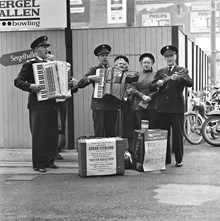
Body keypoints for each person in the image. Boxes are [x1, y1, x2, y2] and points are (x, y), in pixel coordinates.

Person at [14, 36, 59, 173]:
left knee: (51, 133)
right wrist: (31, 86)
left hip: (51, 103)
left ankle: (49, 160)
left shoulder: (51, 64)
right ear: (36, 49)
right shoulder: (30, 64)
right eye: (44, 47)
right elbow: (18, 81)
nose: (47, 49)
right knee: (39, 134)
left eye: (47, 47)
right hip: (37, 105)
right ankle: (38, 163)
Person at [150, 45, 193, 167]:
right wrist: (157, 84)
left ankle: (179, 159)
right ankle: (166, 159)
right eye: (166, 56)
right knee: (164, 135)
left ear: (175, 56)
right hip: (162, 109)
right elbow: (151, 87)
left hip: (176, 108)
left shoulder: (182, 70)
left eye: (171, 56)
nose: (169, 58)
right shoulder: (160, 72)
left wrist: (179, 78)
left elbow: (190, 83)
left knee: (177, 135)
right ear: (164, 58)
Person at [77, 44, 120, 137]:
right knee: (99, 132)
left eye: (106, 55)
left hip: (111, 106)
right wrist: (89, 78)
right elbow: (80, 84)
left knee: (111, 133)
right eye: (102, 55)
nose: (105, 57)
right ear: (98, 57)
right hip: (98, 106)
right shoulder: (94, 70)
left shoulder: (115, 70)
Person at [46, 51, 78, 160]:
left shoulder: (63, 68)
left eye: (52, 58)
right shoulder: (42, 69)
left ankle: (55, 151)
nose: (51, 59)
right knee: (50, 127)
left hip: (61, 101)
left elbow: (70, 85)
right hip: (48, 102)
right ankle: (50, 152)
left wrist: (71, 85)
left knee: (60, 127)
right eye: (49, 58)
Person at [128, 53, 157, 130]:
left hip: (152, 106)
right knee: (140, 130)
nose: (146, 64)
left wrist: (150, 96)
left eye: (148, 62)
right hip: (139, 106)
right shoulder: (136, 75)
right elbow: (133, 88)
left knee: (151, 130)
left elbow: (158, 89)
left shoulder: (156, 75)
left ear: (152, 64)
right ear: (141, 64)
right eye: (144, 62)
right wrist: (142, 96)